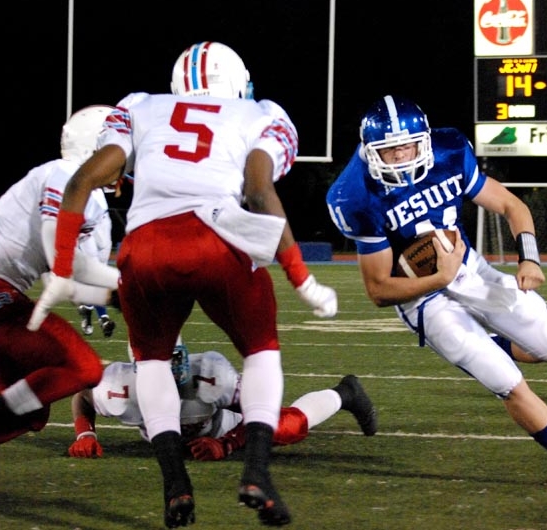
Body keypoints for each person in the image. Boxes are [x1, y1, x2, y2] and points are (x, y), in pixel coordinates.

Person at [28, 41, 337, 527]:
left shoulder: (140, 105)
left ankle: (175, 485)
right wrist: (302, 277)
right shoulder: (260, 113)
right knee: (261, 350)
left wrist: (63, 267)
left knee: (150, 361)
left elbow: (81, 183)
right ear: (236, 82)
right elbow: (259, 192)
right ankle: (257, 472)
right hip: (217, 239)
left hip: (146, 248)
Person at [325, 95, 547, 495]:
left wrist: (529, 259)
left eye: (407, 146)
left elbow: (511, 205)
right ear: (369, 151)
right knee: (505, 378)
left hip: (469, 269)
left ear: (424, 141)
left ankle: (494, 344)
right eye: (389, 150)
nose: (400, 156)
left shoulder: (449, 150)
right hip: (421, 298)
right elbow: (378, 290)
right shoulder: (353, 194)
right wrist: (437, 278)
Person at [0, 105, 120, 478]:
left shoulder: (72, 185)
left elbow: (70, 284)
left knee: (31, 409)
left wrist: (113, 295)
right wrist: (123, 287)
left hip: (2, 294)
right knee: (83, 367)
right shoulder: (66, 175)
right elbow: (60, 257)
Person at [68, 340, 377, 460]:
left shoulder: (211, 375)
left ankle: (345, 393)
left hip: (221, 426)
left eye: (174, 360)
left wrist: (226, 443)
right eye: (159, 364)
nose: (171, 371)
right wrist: (85, 434)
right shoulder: (117, 386)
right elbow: (82, 396)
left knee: (284, 427)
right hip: (173, 439)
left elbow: (261, 411)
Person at [76, 187, 117, 338]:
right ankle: (102, 317)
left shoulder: (95, 180)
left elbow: (114, 188)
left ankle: (88, 311)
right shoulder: (68, 182)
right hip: (85, 229)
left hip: (102, 223)